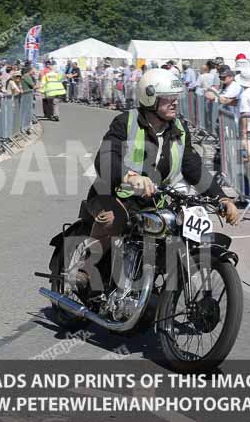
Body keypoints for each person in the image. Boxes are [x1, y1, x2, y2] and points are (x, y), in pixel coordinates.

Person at [81, 69, 239, 278]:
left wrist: (221, 197)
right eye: (168, 98)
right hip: (114, 194)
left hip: (155, 200)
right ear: (150, 98)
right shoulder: (126, 122)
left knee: (178, 227)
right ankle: (85, 267)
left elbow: (192, 165)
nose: (174, 103)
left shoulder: (179, 129)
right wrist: (130, 176)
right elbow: (106, 156)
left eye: (176, 98)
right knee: (112, 219)